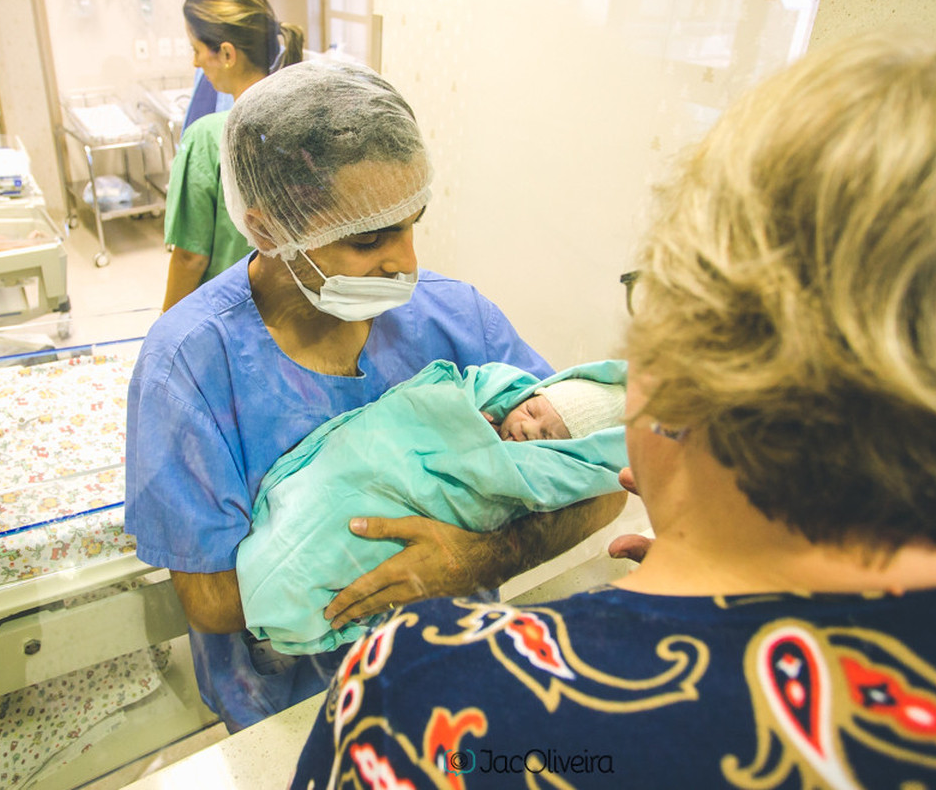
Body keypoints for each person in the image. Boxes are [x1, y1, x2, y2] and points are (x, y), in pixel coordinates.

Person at [289, 35, 936, 788]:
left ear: (702, 349)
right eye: (371, 236)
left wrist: (499, 545)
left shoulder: (420, 706)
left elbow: (570, 481)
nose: (404, 261)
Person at [124, 60, 626, 733]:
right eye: (369, 239)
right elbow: (212, 599)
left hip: (453, 675)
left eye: (410, 224)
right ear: (268, 227)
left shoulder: (456, 321)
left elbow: (602, 485)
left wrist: (480, 557)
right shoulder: (190, 367)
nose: (405, 263)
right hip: (292, 710)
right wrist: (361, 556)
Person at [238, 359, 627, 655]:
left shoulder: (535, 471)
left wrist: (483, 556)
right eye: (530, 413)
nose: (528, 430)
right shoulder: (479, 397)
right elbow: (414, 416)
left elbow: (604, 495)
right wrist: (463, 421)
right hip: (345, 485)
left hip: (423, 643)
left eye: (547, 437)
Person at [161, 0, 305, 311]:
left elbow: (189, 257)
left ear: (227, 54)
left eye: (196, 50)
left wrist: (165, 329)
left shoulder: (210, 138)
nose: (195, 61)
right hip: (296, 313)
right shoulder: (307, 128)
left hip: (227, 316)